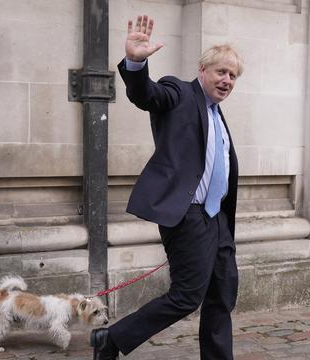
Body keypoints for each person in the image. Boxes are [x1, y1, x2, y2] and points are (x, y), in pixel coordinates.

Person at [90, 14, 243, 360]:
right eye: (221, 71)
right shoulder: (180, 93)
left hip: (217, 219)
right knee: (187, 296)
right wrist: (136, 62)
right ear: (203, 71)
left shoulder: (218, 117)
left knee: (222, 293)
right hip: (188, 214)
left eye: (233, 75)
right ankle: (111, 339)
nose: (227, 80)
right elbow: (147, 94)